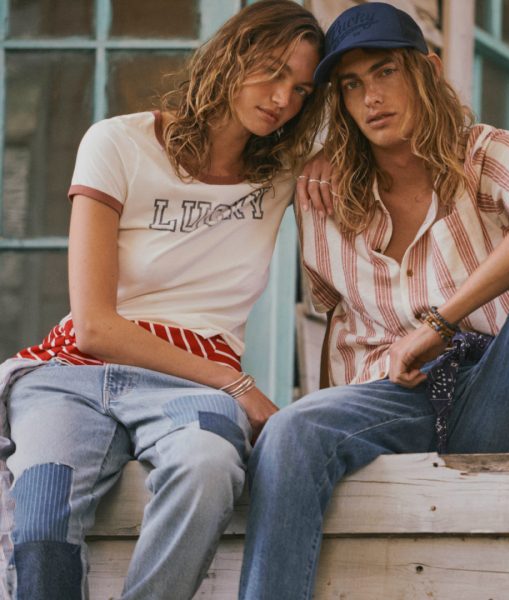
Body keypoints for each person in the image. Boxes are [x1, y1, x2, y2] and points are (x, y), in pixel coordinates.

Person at [238, 3, 509, 599]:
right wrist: (328, 416)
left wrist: (440, 322)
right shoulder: (323, 195)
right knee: (291, 431)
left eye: (385, 72)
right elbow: (338, 322)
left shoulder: (485, 153)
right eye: (351, 85)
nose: (371, 98)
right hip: (394, 401)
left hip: (496, 392)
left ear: (427, 70)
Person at [0, 1, 326, 598]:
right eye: (273, 71)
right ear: (231, 57)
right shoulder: (118, 143)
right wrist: (238, 386)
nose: (283, 98)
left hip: (188, 388)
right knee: (41, 516)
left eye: (301, 89)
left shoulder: (283, 173)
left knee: (208, 467)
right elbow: (95, 327)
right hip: (73, 375)